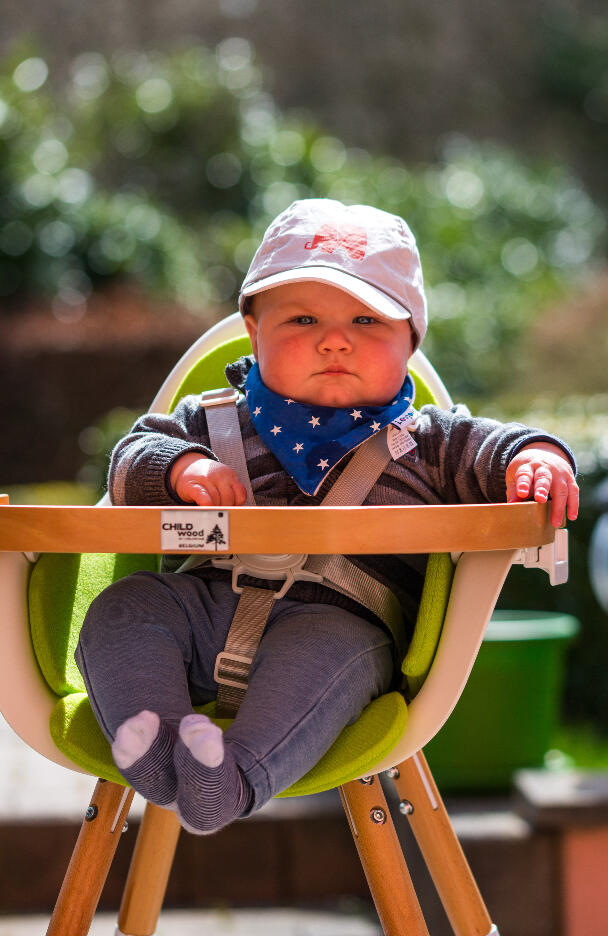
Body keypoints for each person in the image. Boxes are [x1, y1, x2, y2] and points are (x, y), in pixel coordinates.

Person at [76, 199, 579, 835]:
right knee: (125, 607)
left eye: (368, 319)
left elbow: (500, 446)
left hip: (338, 627)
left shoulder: (428, 441)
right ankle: (161, 741)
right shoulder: (212, 422)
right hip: (202, 610)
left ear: (410, 341)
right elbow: (128, 460)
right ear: (254, 333)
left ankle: (228, 780)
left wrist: (534, 458)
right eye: (304, 317)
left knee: (330, 652)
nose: (335, 338)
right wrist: (181, 470)